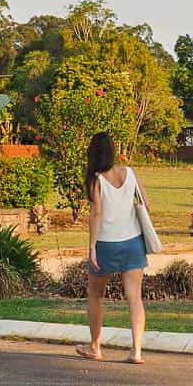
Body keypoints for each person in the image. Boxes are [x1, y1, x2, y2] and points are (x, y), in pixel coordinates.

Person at [75, 131, 149, 364]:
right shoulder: (130, 173)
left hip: (106, 243)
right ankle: (136, 351)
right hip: (133, 241)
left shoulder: (96, 179)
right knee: (134, 296)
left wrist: (92, 247)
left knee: (96, 295)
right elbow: (146, 204)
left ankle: (95, 346)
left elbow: (96, 213)